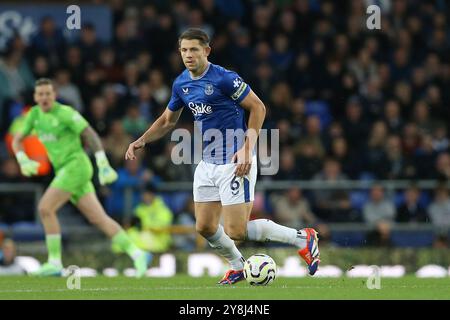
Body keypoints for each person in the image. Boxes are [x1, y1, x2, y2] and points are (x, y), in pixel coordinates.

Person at [125, 28, 320, 284]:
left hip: (235, 160)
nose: (188, 55)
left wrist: (247, 148)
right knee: (204, 226)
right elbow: (167, 121)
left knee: (236, 230)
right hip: (207, 163)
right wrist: (141, 140)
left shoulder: (224, 78)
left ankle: (302, 238)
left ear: (206, 50)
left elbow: (258, 107)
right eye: (184, 50)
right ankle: (238, 265)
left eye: (194, 49)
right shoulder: (181, 83)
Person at [12, 78, 152, 277]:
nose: (44, 98)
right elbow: (17, 140)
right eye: (40, 94)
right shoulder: (33, 115)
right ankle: (138, 254)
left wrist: (102, 162)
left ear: (54, 96)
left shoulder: (65, 113)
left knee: (45, 208)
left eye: (48, 94)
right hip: (65, 170)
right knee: (99, 218)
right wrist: (22, 159)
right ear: (35, 97)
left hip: (76, 166)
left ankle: (54, 262)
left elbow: (90, 134)